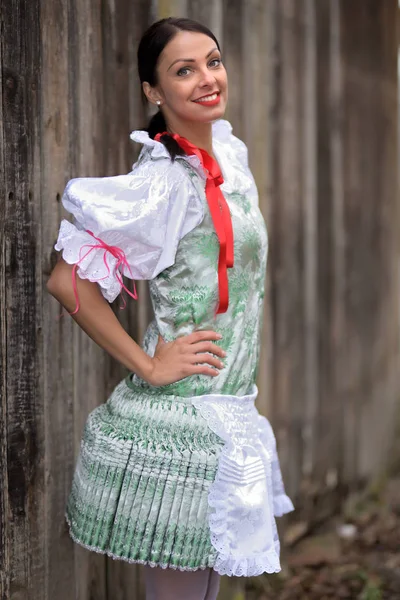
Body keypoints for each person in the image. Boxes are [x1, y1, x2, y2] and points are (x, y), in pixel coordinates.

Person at [47, 16, 294, 600]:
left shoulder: (228, 157)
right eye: (183, 70)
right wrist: (150, 365)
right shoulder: (163, 182)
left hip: (228, 408)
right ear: (153, 92)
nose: (207, 78)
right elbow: (67, 282)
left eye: (213, 60)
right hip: (180, 424)